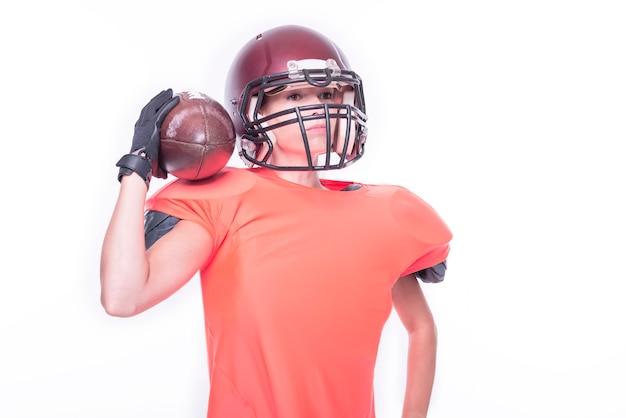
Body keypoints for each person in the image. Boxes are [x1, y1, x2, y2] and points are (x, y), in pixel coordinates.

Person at [100, 24, 452, 418]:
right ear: (253, 112)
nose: (318, 107)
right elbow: (123, 296)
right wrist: (137, 169)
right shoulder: (226, 199)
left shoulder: (387, 213)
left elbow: (421, 328)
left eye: (328, 94)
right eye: (295, 94)